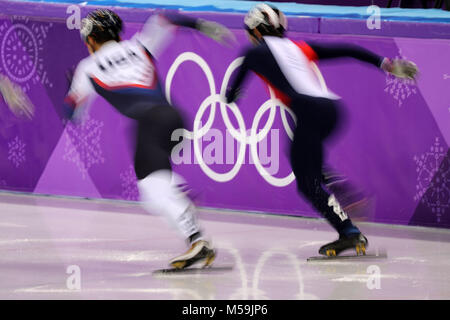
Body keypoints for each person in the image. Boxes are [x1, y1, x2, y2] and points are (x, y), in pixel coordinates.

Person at [225, 4, 418, 256]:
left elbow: (231, 94)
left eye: (249, 33)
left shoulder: (253, 54)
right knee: (305, 161)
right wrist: (386, 64)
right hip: (332, 111)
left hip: (308, 111)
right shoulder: (299, 47)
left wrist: (231, 95)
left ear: (257, 32)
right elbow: (347, 49)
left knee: (307, 182)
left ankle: (348, 230)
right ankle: (340, 189)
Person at [64, 9, 234, 269]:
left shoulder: (87, 68)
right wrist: (202, 25)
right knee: (156, 187)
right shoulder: (139, 46)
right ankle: (179, 197)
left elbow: (72, 114)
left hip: (150, 124)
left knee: (153, 190)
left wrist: (70, 93)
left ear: (91, 40)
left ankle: (197, 240)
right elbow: (164, 18)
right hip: (175, 120)